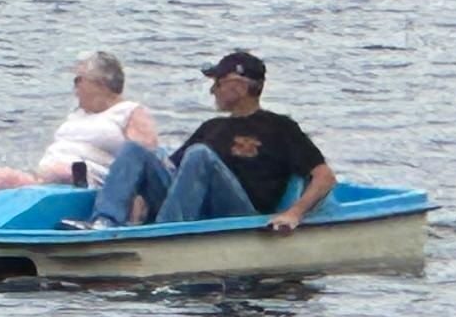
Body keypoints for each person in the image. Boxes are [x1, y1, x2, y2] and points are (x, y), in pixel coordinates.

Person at [79, 50, 337, 235]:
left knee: (200, 155)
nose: (212, 91)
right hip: (193, 208)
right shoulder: (212, 127)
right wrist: (139, 203)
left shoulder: (280, 127)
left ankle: (166, 233)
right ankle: (105, 223)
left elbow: (324, 177)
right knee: (135, 150)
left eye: (218, 83)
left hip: (240, 214)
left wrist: (294, 214)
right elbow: (171, 172)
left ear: (237, 86)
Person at [0, 52, 159, 202]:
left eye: (78, 80)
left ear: (100, 83)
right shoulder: (78, 114)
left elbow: (142, 158)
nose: (74, 88)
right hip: (46, 181)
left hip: (86, 185)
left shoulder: (127, 111)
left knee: (61, 171)